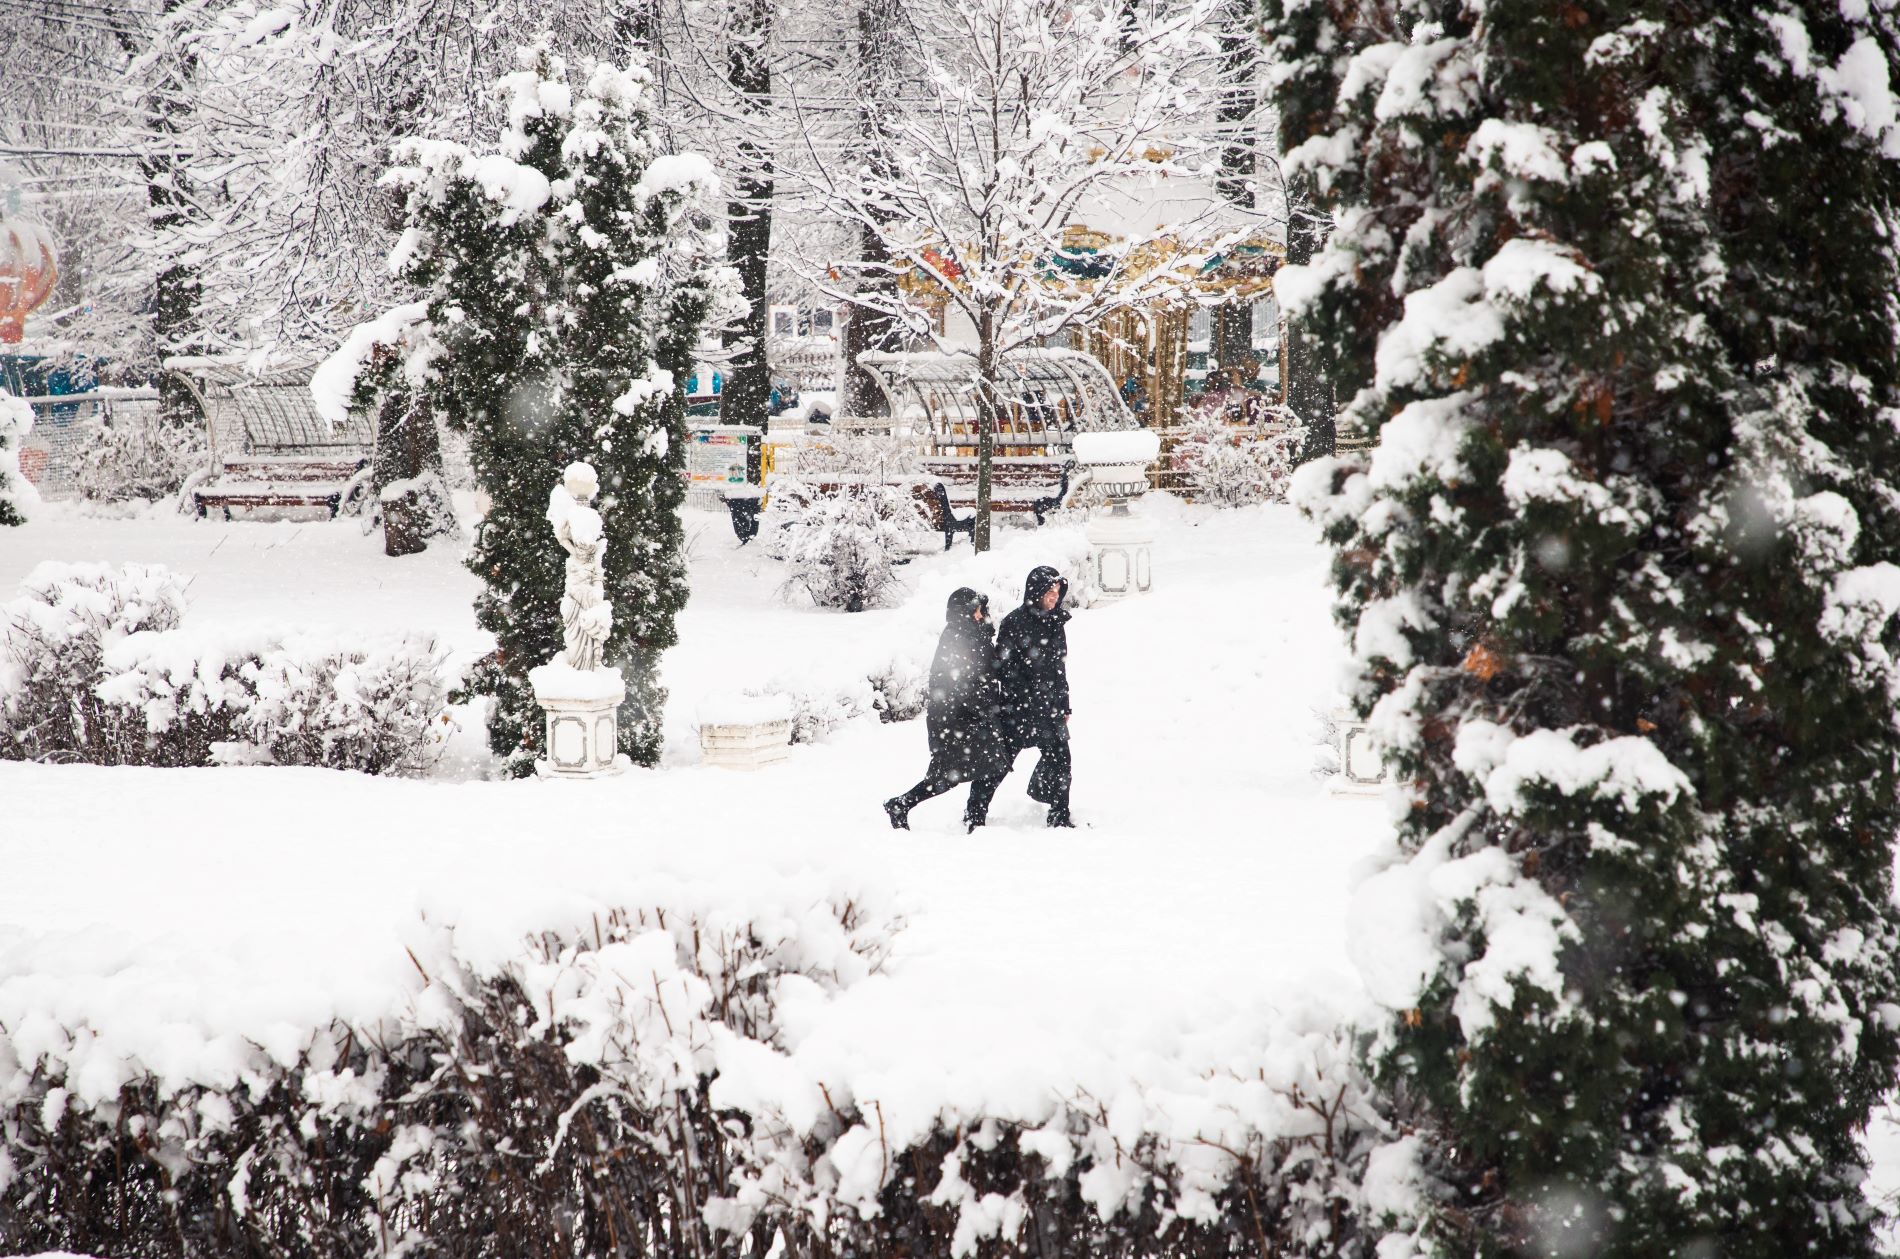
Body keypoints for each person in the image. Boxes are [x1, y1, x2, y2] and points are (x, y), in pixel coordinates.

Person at [884, 588, 1009, 833]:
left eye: (980, 609)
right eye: (975, 609)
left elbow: (988, 669)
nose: (979, 613)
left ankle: (975, 817)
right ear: (963, 612)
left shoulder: (975, 635)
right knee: (946, 777)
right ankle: (901, 804)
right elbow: (953, 681)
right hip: (954, 720)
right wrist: (981, 704)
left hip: (972, 716)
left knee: (993, 765)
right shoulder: (955, 638)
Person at [996, 565, 1074, 827]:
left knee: (1062, 761)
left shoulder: (1055, 622)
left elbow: (1058, 668)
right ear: (1036, 591)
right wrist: (1026, 700)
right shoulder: (1013, 623)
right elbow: (1005, 671)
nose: (1054, 596)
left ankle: (1059, 816)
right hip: (1019, 712)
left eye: (1057, 591)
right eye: (1049, 591)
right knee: (998, 767)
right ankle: (974, 814)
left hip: (1049, 708)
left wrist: (1063, 704)